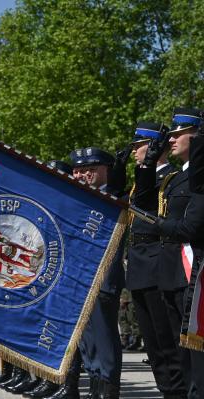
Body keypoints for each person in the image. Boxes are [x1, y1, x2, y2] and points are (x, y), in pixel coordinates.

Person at [135, 107, 204, 398]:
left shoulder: (197, 176)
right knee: (173, 354)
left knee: (193, 360)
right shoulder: (175, 178)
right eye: (171, 135)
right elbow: (144, 203)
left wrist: (162, 226)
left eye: (179, 134)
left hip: (188, 271)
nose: (171, 140)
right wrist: (146, 168)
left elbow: (191, 227)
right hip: (170, 272)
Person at [126, 121, 187, 397]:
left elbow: (150, 209)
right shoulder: (142, 178)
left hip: (157, 262)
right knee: (153, 345)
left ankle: (175, 392)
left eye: (139, 146)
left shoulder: (171, 177)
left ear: (153, 147)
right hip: (139, 264)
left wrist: (147, 168)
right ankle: (167, 390)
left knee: (167, 343)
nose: (134, 151)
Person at [67, 147, 125, 398]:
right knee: (86, 339)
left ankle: (107, 387)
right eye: (79, 171)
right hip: (79, 279)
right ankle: (95, 384)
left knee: (103, 337)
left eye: (91, 170)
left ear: (106, 171)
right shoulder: (76, 198)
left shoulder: (113, 197)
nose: (84, 175)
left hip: (102, 278)